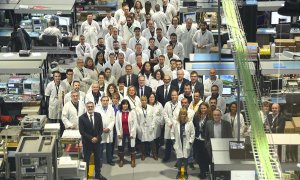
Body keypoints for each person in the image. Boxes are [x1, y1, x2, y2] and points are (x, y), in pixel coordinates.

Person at [79, 101, 106, 180]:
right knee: (86, 160)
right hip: (87, 142)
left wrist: (97, 138)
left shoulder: (98, 115)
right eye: (89, 107)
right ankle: (86, 175)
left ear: (94, 107)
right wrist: (91, 138)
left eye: (91, 106)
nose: (90, 108)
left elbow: (101, 129)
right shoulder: (82, 118)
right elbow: (82, 132)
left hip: (97, 142)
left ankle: (98, 174)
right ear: (86, 107)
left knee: (97, 159)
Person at [171, 108, 195, 180]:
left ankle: (185, 172)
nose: (182, 115)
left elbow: (193, 133)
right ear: (179, 115)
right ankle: (179, 172)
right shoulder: (176, 123)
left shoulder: (190, 123)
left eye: (184, 114)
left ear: (186, 115)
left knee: (185, 159)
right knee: (179, 159)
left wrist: (190, 142)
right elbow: (172, 132)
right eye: (181, 114)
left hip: (187, 144)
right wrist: (173, 141)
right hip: (178, 143)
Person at [115, 99, 138, 167]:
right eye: (123, 104)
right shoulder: (118, 112)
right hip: (122, 133)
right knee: (121, 147)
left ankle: (133, 160)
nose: (125, 105)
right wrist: (118, 133)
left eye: (126, 104)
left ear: (128, 105)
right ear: (121, 105)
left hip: (130, 132)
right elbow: (116, 123)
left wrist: (132, 133)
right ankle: (121, 160)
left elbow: (135, 123)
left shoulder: (132, 112)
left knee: (132, 147)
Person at [95, 96, 116, 166]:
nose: (105, 102)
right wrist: (101, 129)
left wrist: (109, 128)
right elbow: (96, 121)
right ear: (101, 101)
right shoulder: (97, 109)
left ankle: (109, 160)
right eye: (103, 100)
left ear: (108, 101)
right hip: (100, 131)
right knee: (100, 147)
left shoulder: (111, 109)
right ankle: (99, 161)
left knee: (109, 147)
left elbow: (113, 120)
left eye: (107, 100)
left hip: (109, 131)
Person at [193, 102, 211, 179]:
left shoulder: (210, 117)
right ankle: (202, 171)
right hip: (197, 139)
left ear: (207, 109)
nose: (203, 109)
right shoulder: (196, 116)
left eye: (204, 108)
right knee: (198, 157)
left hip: (205, 140)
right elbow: (193, 125)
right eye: (201, 108)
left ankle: (204, 171)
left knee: (205, 157)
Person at [162, 90, 181, 162]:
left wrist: (176, 123)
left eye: (175, 95)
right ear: (171, 96)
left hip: (177, 126)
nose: (174, 97)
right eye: (172, 95)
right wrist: (169, 123)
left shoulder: (180, 104)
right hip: (169, 126)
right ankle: (167, 156)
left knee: (177, 143)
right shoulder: (167, 104)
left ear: (177, 95)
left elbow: (181, 114)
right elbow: (165, 114)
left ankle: (178, 158)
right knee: (168, 142)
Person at [137, 96, 157, 160]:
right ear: (140, 101)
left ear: (147, 100)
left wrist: (152, 126)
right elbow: (137, 119)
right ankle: (143, 154)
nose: (144, 102)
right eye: (142, 100)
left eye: (145, 100)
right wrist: (139, 128)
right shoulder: (137, 109)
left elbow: (154, 117)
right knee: (142, 142)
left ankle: (154, 154)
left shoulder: (151, 108)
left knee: (152, 141)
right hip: (142, 127)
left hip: (149, 127)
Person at [148, 93, 164, 157]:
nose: (151, 98)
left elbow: (162, 114)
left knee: (157, 139)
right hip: (149, 125)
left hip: (157, 125)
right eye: (150, 97)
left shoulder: (159, 104)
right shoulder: (146, 105)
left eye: (153, 97)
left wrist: (162, 123)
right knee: (150, 139)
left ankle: (156, 152)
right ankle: (150, 151)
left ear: (155, 98)